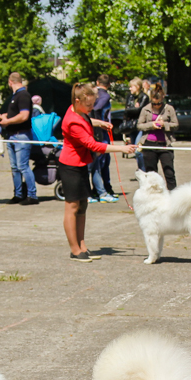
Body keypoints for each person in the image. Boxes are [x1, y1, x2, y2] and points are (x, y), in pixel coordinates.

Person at [59, 82, 135, 262]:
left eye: (93, 104)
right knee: (72, 207)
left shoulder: (77, 111)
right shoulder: (72, 121)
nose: (91, 108)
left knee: (83, 205)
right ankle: (74, 249)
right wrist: (121, 149)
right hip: (71, 166)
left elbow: (86, 119)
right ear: (77, 101)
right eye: (88, 105)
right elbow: (92, 145)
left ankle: (82, 244)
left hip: (82, 163)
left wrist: (99, 123)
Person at [0, 72, 38, 205]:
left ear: (10, 82)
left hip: (21, 135)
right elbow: (17, 113)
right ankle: (18, 194)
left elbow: (24, 115)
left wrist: (8, 121)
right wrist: (6, 116)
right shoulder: (16, 96)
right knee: (14, 167)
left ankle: (32, 195)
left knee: (23, 166)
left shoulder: (23, 95)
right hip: (12, 135)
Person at [137, 85, 179, 190]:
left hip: (165, 144)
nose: (156, 106)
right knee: (151, 173)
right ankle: (152, 195)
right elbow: (139, 125)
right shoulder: (145, 109)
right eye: (154, 103)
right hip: (149, 143)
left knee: (169, 172)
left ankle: (173, 195)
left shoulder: (169, 109)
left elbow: (176, 124)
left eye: (159, 103)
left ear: (163, 98)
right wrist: (152, 125)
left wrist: (164, 124)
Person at [89, 74, 116, 202]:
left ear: (97, 81)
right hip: (100, 132)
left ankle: (101, 189)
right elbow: (97, 108)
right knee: (100, 161)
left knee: (100, 162)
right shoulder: (104, 95)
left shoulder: (96, 94)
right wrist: (100, 124)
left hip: (99, 130)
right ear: (109, 84)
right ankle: (101, 190)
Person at [124, 78, 149, 171]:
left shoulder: (144, 97)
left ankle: (143, 170)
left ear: (137, 87)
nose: (130, 89)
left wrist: (132, 109)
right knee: (135, 150)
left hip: (140, 126)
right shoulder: (130, 97)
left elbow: (140, 110)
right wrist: (132, 109)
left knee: (139, 150)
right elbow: (126, 109)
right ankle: (140, 169)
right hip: (131, 126)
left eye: (131, 87)